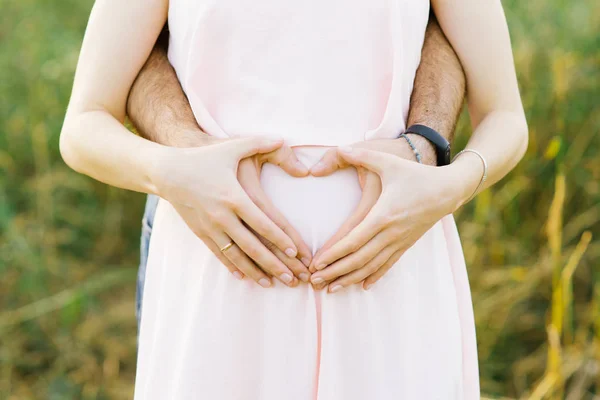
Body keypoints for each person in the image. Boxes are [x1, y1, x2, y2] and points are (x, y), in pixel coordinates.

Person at [60, 0, 528, 398]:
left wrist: (449, 186)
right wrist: (175, 173)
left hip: (390, 270)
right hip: (219, 273)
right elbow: (83, 124)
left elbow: (505, 115)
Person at [128, 16, 465, 331]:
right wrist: (185, 156)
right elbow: (118, 72)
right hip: (211, 268)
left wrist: (426, 149)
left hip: (391, 272)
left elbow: (451, 37)